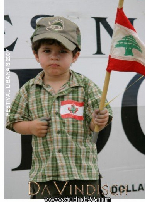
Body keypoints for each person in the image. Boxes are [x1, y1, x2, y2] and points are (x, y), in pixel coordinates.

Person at [6, 16, 113, 199]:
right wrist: (31, 127)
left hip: (83, 174)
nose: (54, 56)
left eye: (62, 51)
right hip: (45, 176)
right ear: (36, 55)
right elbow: (14, 121)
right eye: (47, 50)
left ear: (75, 56)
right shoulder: (29, 89)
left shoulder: (85, 86)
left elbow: (96, 122)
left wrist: (99, 120)